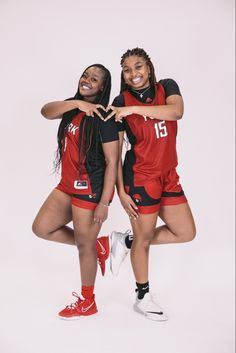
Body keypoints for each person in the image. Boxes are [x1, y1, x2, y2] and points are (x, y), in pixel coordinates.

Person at [107, 48, 196, 321]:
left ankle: (125, 240)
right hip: (141, 177)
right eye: (127, 69)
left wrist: (134, 109)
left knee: (186, 232)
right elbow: (116, 151)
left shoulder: (166, 87)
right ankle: (142, 295)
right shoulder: (119, 100)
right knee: (144, 241)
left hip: (168, 174)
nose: (133, 73)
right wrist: (120, 192)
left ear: (148, 67)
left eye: (138, 66)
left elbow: (177, 112)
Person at [32, 64, 119, 319]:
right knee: (41, 228)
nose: (87, 80)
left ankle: (87, 301)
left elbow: (113, 161)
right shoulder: (73, 106)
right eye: (85, 75)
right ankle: (99, 246)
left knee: (84, 248)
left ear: (102, 86)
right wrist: (77, 105)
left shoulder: (103, 117)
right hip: (67, 186)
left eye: (94, 79)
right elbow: (45, 111)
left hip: (89, 189)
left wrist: (105, 202)